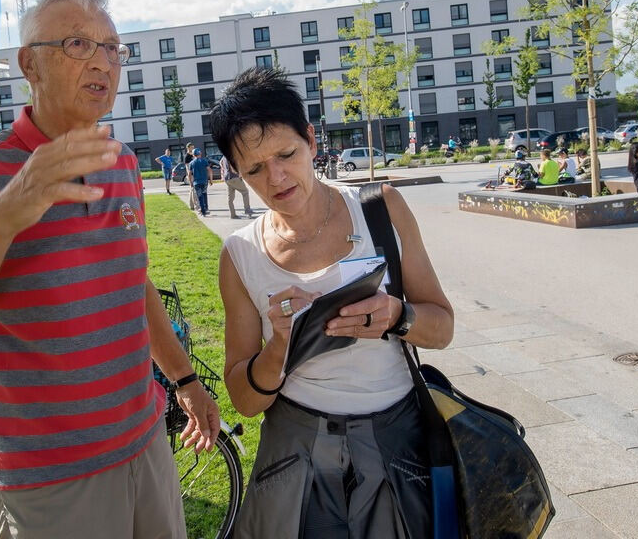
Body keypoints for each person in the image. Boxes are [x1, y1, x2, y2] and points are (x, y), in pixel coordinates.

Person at [0, 0, 219, 539]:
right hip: (50, 480)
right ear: (28, 64)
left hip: (145, 442)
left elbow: (131, 283)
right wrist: (11, 206)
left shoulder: (123, 162)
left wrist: (184, 378)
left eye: (113, 48)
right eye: (78, 43)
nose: (101, 62)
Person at [210, 68, 454, 538]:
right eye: (254, 169)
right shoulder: (240, 255)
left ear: (311, 140)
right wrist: (280, 345)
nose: (276, 177)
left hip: (396, 439)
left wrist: (397, 315)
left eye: (286, 154)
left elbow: (442, 329)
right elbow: (243, 399)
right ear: (235, 173)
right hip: (295, 447)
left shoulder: (379, 208)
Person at [220, 153, 254, 219]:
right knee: (245, 192)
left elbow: (220, 163)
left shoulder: (223, 157)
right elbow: (232, 166)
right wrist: (239, 174)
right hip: (234, 177)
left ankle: (232, 215)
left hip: (227, 178)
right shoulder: (230, 155)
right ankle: (247, 210)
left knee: (230, 198)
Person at [187, 148, 212, 216]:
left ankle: (203, 211)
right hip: (204, 181)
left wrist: (191, 183)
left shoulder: (191, 163)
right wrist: (211, 180)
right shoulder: (204, 161)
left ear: (193, 154)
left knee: (200, 196)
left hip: (196, 183)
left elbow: (189, 174)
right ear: (200, 153)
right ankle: (206, 208)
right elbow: (209, 170)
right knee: (204, 194)